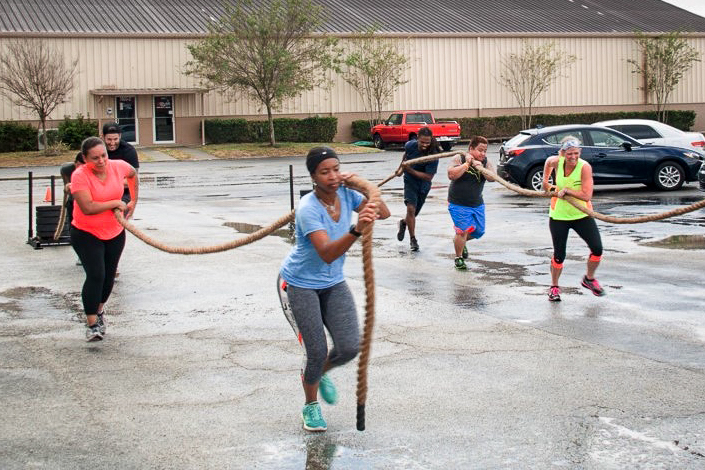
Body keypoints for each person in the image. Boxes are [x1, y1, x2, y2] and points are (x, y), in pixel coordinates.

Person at [278, 146, 390, 432]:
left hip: (332, 282)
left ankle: (320, 372)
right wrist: (356, 230)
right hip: (299, 284)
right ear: (313, 177)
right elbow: (327, 253)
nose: (332, 176)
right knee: (316, 351)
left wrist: (363, 186)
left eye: (336, 169)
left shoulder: (347, 194)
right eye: (324, 172)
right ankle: (310, 405)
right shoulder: (308, 209)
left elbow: (385, 213)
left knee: (350, 347)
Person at [70, 136, 138, 341]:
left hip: (114, 230)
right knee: (96, 274)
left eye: (104, 156)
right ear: (85, 158)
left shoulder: (118, 166)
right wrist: (115, 203)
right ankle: (92, 324)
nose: (101, 161)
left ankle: (99, 311)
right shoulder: (79, 176)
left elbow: (133, 174)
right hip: (86, 232)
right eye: (95, 158)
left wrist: (133, 201)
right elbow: (87, 207)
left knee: (109, 276)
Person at [542, 138, 605, 302]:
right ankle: (554, 287)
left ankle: (589, 279)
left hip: (581, 214)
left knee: (597, 249)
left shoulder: (584, 167)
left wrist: (567, 191)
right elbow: (547, 164)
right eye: (569, 153)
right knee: (559, 255)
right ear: (563, 153)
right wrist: (547, 183)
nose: (573, 157)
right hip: (559, 216)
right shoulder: (557, 162)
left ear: (580, 152)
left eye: (576, 153)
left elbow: (586, 195)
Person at [447, 136, 494, 270]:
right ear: (471, 148)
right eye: (480, 150)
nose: (483, 154)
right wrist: (467, 165)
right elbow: (451, 175)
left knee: (479, 231)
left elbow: (492, 178)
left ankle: (459, 242)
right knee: (462, 231)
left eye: (485, 151)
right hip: (458, 203)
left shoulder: (485, 162)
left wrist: (482, 169)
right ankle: (459, 258)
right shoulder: (460, 158)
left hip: (477, 203)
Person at [396, 126, 441, 251]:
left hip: (423, 184)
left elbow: (428, 177)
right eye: (422, 142)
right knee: (411, 209)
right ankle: (413, 240)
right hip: (410, 181)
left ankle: (404, 223)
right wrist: (400, 169)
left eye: (427, 142)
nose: (425, 145)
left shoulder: (434, 154)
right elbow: (406, 157)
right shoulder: (410, 145)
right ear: (417, 138)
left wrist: (409, 169)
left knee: (413, 213)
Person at [102, 121, 139, 203]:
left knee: (118, 207)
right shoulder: (97, 149)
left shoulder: (129, 151)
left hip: (124, 193)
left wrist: (107, 184)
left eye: (115, 139)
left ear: (120, 136)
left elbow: (132, 179)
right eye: (109, 139)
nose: (112, 143)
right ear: (103, 137)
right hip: (100, 191)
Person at [59, 152, 85, 227]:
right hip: (73, 200)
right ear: (75, 163)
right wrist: (68, 186)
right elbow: (66, 189)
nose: (81, 169)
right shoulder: (67, 170)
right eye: (79, 166)